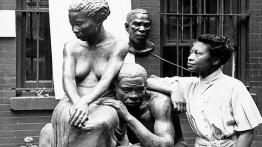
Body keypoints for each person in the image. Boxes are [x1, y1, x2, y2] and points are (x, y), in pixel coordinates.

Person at [147, 34, 262, 146]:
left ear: (215, 60)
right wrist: (173, 91)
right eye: (191, 52)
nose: (190, 57)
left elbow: (247, 133)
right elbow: (146, 82)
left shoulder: (234, 87)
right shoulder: (188, 84)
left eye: (197, 53)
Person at [50, 0, 129, 146]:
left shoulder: (118, 46)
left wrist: (86, 101)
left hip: (103, 102)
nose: (74, 29)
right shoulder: (71, 46)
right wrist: (77, 103)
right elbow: (67, 78)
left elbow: (106, 79)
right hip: (71, 101)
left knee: (100, 123)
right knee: (72, 120)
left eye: (79, 24)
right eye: (71, 24)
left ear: (98, 21)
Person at [125, 9, 187, 146]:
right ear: (127, 27)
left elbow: (144, 82)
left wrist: (173, 90)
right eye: (137, 24)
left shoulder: (159, 101)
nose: (142, 29)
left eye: (146, 25)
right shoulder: (118, 54)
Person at [101, 63, 185, 147]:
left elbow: (165, 145)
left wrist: (128, 117)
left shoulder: (159, 102)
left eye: (139, 90)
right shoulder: (107, 98)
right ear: (114, 87)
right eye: (126, 90)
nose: (133, 95)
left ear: (145, 86)